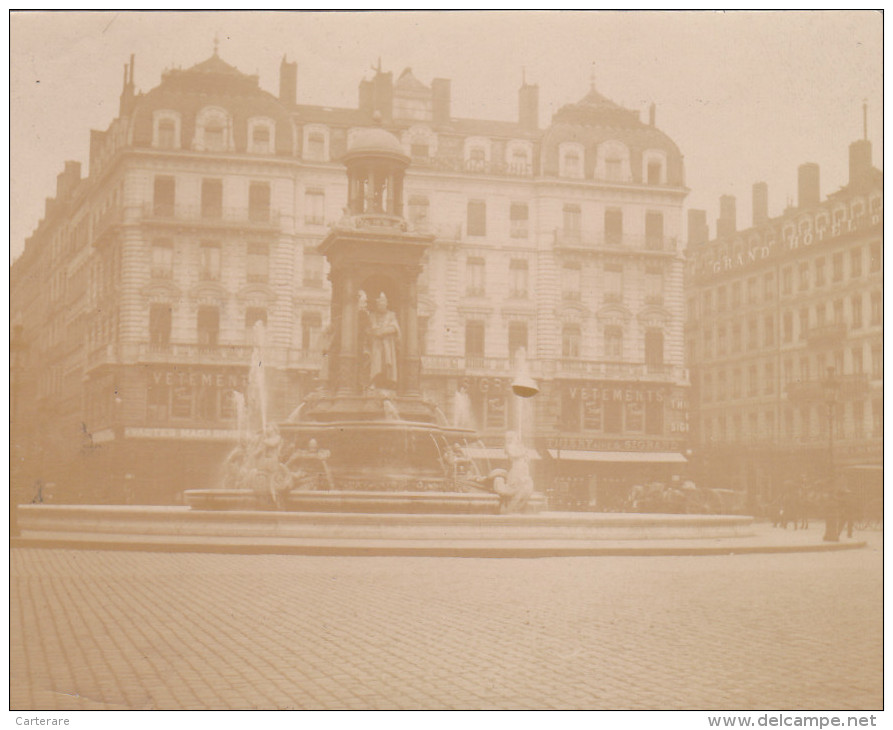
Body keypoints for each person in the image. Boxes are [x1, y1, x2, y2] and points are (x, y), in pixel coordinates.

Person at [367, 293, 400, 389]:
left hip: (388, 343)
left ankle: (388, 382)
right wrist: (376, 332)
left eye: (383, 304)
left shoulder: (391, 315)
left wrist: (383, 331)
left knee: (387, 363)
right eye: (379, 305)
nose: (381, 306)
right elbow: (370, 328)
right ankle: (374, 381)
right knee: (376, 364)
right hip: (376, 344)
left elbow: (395, 328)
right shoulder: (372, 315)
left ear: (386, 304)